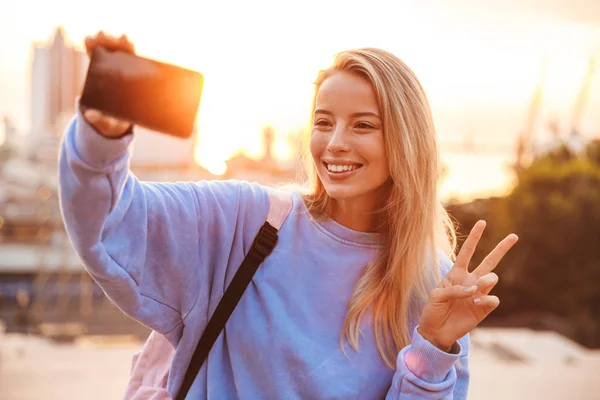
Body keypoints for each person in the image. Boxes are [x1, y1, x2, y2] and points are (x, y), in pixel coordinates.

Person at [58, 31, 518, 399]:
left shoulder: (435, 286)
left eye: (363, 124)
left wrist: (433, 348)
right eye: (323, 121)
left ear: (406, 140)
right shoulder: (247, 220)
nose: (335, 141)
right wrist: (103, 133)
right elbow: (113, 220)